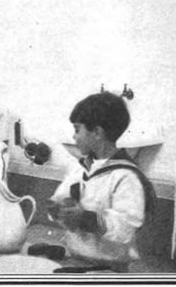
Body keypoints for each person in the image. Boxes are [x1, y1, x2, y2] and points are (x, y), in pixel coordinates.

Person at [48, 92, 156, 272]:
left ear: (97, 132)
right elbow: (62, 195)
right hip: (77, 256)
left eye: (77, 130)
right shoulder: (82, 168)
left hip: (109, 265)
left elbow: (126, 225)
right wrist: (56, 207)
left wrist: (85, 218)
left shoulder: (125, 176)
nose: (74, 137)